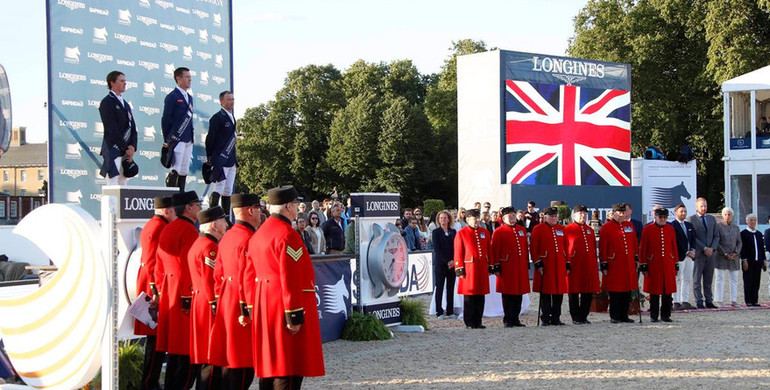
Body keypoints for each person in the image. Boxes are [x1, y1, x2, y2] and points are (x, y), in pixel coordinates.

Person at [247, 186, 325, 389]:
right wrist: (294, 315)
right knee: (288, 369)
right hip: (284, 307)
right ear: (289, 206)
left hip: (267, 305)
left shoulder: (259, 233)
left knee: (271, 367)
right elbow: (291, 277)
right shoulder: (288, 235)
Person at [209, 194, 261, 390]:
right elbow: (245, 277)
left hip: (226, 301)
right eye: (258, 208)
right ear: (250, 210)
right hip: (242, 305)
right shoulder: (248, 238)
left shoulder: (228, 236)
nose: (260, 212)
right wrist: (247, 309)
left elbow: (218, 274)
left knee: (230, 361)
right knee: (242, 365)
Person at [156, 191, 201, 390]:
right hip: (183, 295)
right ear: (188, 207)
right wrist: (187, 297)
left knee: (175, 353)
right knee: (186, 354)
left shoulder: (169, 228)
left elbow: (159, 264)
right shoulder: (188, 230)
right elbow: (186, 267)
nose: (199, 207)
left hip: (169, 292)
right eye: (196, 204)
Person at [135, 196, 175, 390]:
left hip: (151, 283)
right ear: (167, 211)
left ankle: (151, 380)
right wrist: (155, 290)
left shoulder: (153, 224)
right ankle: (149, 382)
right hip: (153, 286)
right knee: (155, 340)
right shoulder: (159, 227)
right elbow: (152, 262)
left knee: (156, 340)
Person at [188, 206, 228, 389]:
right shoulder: (210, 247)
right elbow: (210, 280)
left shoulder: (199, 243)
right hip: (209, 305)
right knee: (211, 357)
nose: (226, 224)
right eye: (222, 220)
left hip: (200, 303)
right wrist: (216, 304)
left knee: (206, 356)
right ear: (213, 224)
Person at [599, 203, 638, 323]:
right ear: (613, 213)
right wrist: (604, 263)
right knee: (615, 290)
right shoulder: (606, 227)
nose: (622, 215)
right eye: (619, 213)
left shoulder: (629, 225)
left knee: (627, 290)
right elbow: (603, 247)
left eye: (623, 213)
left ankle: (624, 314)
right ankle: (615, 315)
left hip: (627, 263)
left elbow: (634, 243)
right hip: (615, 263)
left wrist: (636, 258)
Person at [491, 207, 530, 327]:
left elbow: (524, 247)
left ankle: (516, 318)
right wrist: (496, 267)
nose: (512, 218)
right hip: (506, 266)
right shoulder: (499, 231)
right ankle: (508, 319)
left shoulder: (521, 230)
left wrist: (526, 262)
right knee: (508, 294)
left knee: (519, 293)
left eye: (513, 215)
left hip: (519, 266)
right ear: (503, 218)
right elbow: (494, 250)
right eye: (509, 216)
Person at [453, 209, 492, 329]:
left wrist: (490, 266)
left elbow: (488, 250)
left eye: (478, 218)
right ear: (468, 219)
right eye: (474, 218)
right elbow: (458, 251)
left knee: (480, 295)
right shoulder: (462, 233)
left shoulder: (484, 232)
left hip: (481, 267)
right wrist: (459, 267)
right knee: (469, 295)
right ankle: (469, 321)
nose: (477, 220)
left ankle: (478, 320)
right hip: (469, 267)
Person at [530, 207, 569, 326]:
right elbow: (533, 247)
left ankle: (556, 317)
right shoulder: (538, 229)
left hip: (559, 265)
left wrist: (567, 262)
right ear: (545, 217)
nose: (554, 218)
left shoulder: (561, 229)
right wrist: (537, 262)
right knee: (546, 292)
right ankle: (545, 318)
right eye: (551, 216)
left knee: (559, 292)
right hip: (546, 265)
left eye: (555, 216)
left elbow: (566, 247)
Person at [639, 208, 678, 322]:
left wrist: (675, 264)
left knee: (667, 291)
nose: (662, 219)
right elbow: (643, 248)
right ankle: (654, 315)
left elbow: (673, 247)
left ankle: (666, 315)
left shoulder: (670, 229)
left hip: (667, 264)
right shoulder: (647, 229)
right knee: (654, 291)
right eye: (660, 217)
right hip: (653, 264)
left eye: (665, 217)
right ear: (655, 217)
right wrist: (643, 265)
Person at [98, 70, 137, 185]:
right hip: (113, 148)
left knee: (123, 182)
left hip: (126, 151)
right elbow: (111, 128)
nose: (125, 83)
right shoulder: (107, 102)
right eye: (121, 81)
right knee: (113, 182)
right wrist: (126, 148)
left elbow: (133, 127)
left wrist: (133, 147)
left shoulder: (126, 104)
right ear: (112, 83)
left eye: (125, 81)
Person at [564, 205, 600, 325]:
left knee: (587, 290)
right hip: (575, 264)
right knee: (573, 290)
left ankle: (584, 315)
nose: (583, 216)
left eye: (584, 214)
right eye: (580, 214)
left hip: (588, 264)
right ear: (574, 215)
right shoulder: (568, 229)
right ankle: (575, 316)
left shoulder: (589, 230)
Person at [162, 67, 194, 191]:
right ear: (178, 79)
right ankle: (172, 198)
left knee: (184, 170)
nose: (189, 79)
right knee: (175, 168)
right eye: (186, 77)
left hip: (188, 138)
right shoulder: (172, 96)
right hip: (177, 138)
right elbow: (166, 119)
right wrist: (168, 139)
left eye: (190, 77)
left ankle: (181, 198)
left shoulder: (189, 97)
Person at [205, 91, 238, 214]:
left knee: (228, 190)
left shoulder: (232, 117)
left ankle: (226, 217)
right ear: (221, 101)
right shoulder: (217, 117)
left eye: (233, 99)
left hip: (231, 159)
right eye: (228, 99)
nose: (231, 101)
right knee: (219, 187)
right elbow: (210, 138)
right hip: (221, 158)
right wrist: (210, 155)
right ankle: (213, 214)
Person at [689, 197, 719, 309]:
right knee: (697, 278)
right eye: (701, 206)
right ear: (696, 207)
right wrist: (704, 248)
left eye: (705, 206)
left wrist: (712, 248)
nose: (703, 208)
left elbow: (716, 235)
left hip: (711, 254)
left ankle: (709, 300)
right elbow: (693, 237)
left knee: (709, 278)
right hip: (699, 253)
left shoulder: (712, 219)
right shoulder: (691, 219)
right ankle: (699, 300)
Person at [714, 207, 742, 307]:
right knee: (720, 279)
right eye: (725, 214)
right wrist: (724, 253)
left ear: (732, 216)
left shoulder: (736, 228)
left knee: (734, 279)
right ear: (722, 215)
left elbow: (739, 242)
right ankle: (719, 300)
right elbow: (716, 242)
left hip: (734, 256)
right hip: (721, 256)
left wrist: (736, 252)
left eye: (729, 214)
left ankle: (733, 300)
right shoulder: (718, 227)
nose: (727, 216)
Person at [670, 204, 696, 311]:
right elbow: (676, 241)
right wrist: (686, 252)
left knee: (687, 279)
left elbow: (693, 238)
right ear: (676, 212)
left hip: (690, 257)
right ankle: (675, 301)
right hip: (680, 256)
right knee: (678, 278)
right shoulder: (673, 225)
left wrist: (693, 250)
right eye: (681, 211)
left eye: (685, 211)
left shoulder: (689, 225)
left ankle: (684, 300)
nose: (683, 213)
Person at [431, 210, 456, 319]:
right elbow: (437, 249)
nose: (443, 220)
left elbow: (456, 247)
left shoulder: (453, 232)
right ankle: (439, 311)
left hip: (452, 264)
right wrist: (446, 261)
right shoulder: (436, 232)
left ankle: (450, 310)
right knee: (439, 288)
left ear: (449, 219)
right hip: (441, 264)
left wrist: (453, 260)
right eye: (441, 218)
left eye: (445, 218)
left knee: (450, 288)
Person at [740, 214, 766, 307]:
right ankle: (748, 300)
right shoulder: (743, 233)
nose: (753, 222)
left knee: (756, 281)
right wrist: (744, 260)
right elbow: (742, 248)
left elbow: (761, 249)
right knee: (748, 281)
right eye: (751, 220)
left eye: (754, 220)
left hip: (758, 261)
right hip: (748, 261)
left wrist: (763, 260)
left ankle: (755, 300)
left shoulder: (758, 234)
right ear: (747, 221)